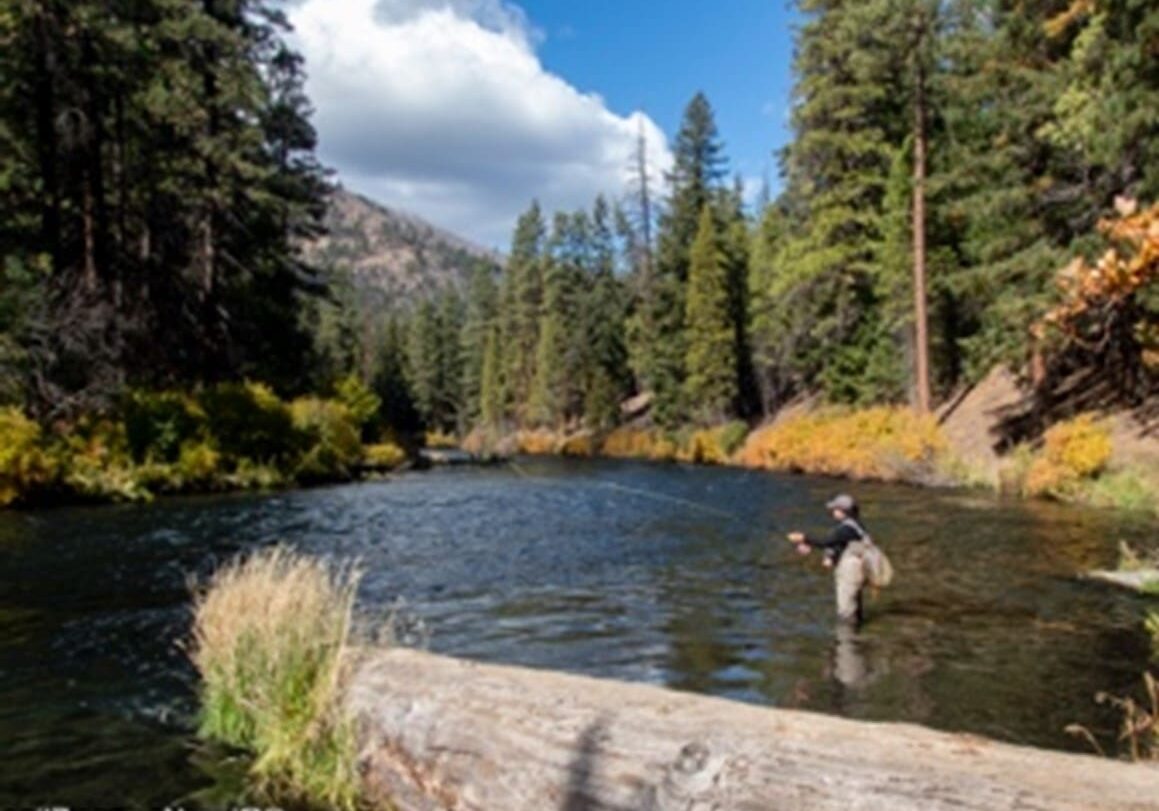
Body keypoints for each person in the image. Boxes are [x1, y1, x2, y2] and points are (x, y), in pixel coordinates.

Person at [787, 494, 872, 626]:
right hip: (856, 570)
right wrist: (830, 556)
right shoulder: (854, 526)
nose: (832, 512)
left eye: (835, 509)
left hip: (850, 572)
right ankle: (856, 637)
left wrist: (803, 538)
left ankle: (847, 642)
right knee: (854, 606)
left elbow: (826, 542)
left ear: (844, 511)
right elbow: (839, 544)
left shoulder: (847, 528)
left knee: (846, 611)